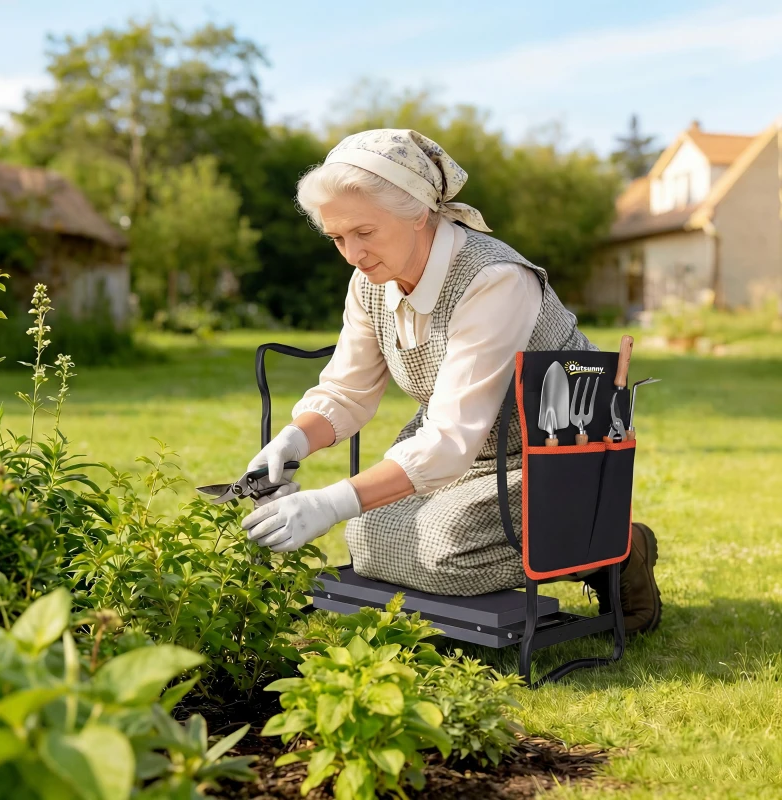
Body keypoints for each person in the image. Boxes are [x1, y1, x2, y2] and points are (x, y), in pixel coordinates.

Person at [242, 129, 661, 634]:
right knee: (368, 540)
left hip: (555, 448)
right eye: (337, 238)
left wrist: (328, 502)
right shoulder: (370, 282)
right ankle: (587, 543)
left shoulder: (494, 278)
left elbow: (449, 437)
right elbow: (345, 392)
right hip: (464, 450)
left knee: (441, 553)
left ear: (418, 212)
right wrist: (293, 439)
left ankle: (611, 545)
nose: (351, 254)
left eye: (364, 232)